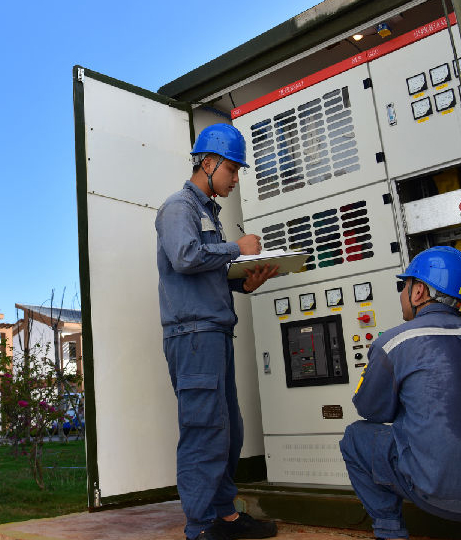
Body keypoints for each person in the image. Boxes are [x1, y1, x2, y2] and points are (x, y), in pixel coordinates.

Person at [340, 246, 461, 540]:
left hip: (439, 492)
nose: (402, 294)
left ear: (419, 292)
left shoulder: (394, 342)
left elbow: (370, 410)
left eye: (404, 286)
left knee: (356, 437)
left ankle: (389, 532)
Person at [156, 123, 279, 540]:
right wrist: (237, 250)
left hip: (214, 332)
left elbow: (207, 269)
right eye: (232, 168)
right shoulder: (179, 208)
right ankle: (200, 526)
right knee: (204, 428)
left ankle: (224, 515)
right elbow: (185, 256)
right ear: (207, 163)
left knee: (228, 430)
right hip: (192, 335)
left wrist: (243, 279)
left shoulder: (209, 213)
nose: (236, 177)